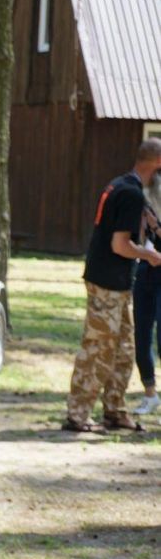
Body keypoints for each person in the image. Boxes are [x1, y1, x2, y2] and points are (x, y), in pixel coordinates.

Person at [64, 138, 161, 433]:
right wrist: (150, 255)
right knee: (98, 349)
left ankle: (115, 411)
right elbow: (119, 245)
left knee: (123, 349)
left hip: (117, 283)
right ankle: (77, 415)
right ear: (156, 163)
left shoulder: (123, 184)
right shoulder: (130, 193)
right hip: (107, 281)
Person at [132, 167, 161, 416]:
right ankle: (150, 394)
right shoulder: (144, 194)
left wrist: (158, 227)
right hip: (146, 270)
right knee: (141, 334)